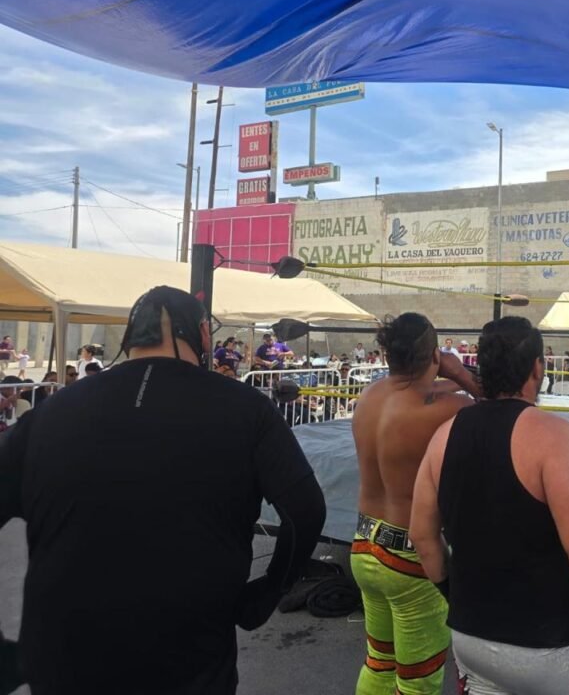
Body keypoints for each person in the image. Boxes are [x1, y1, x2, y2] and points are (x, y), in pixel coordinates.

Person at [0, 286, 326, 694]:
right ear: (203, 334)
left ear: (130, 337)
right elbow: (305, 510)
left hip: (62, 656)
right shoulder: (246, 408)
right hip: (188, 657)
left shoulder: (51, 411)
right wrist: (270, 590)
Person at [409, 316, 569, 694]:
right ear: (537, 368)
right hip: (548, 644)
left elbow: (422, 536)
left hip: (471, 638)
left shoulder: (444, 435)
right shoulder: (553, 435)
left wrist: (458, 600)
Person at [349, 312, 480, 695]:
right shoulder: (448, 407)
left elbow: (420, 388)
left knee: (379, 663)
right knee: (417, 680)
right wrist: (460, 373)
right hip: (410, 557)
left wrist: (442, 375)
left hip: (364, 545)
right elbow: (504, 407)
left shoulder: (370, 397)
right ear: (434, 354)